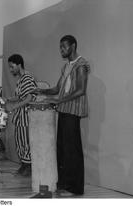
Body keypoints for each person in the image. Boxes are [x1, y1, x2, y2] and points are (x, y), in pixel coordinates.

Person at [33, 35, 90, 195]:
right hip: (64, 110)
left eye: (64, 46)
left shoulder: (81, 64)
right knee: (63, 150)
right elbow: (57, 88)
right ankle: (64, 184)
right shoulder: (66, 67)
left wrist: (58, 101)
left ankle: (75, 188)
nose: (61, 50)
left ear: (73, 46)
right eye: (60, 47)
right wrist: (41, 90)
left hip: (73, 111)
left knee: (73, 150)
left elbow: (80, 90)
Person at [4, 54, 37, 176]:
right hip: (20, 118)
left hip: (26, 117)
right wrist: (9, 99)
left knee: (25, 142)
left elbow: (29, 97)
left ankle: (28, 167)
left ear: (19, 65)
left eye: (12, 67)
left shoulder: (27, 78)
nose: (11, 70)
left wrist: (14, 106)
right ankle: (24, 165)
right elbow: (20, 96)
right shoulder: (21, 80)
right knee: (20, 142)